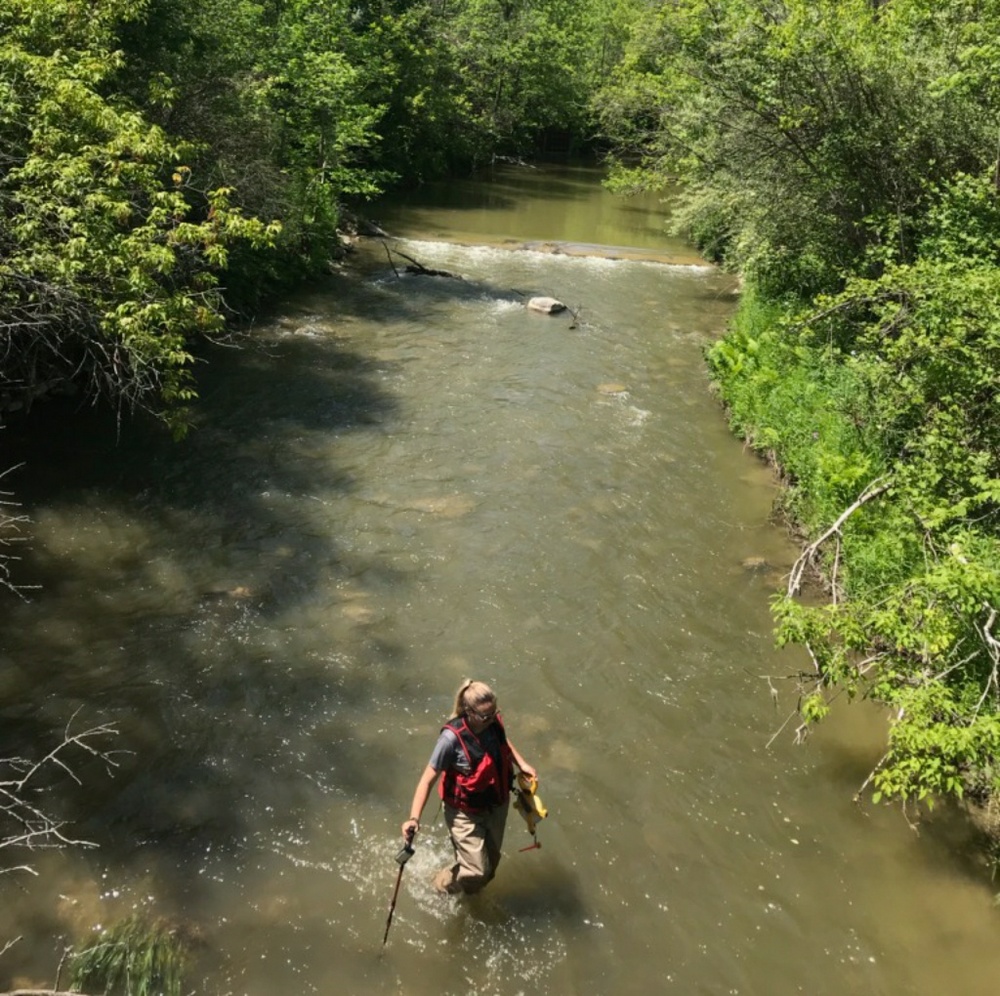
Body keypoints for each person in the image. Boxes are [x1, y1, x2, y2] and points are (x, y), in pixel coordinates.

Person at [401, 679, 537, 895]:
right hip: (464, 813)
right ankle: (440, 884)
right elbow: (427, 780)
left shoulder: (492, 723)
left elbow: (503, 742)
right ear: (469, 711)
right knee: (478, 871)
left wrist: (522, 764)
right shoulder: (450, 740)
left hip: (496, 804)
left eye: (494, 713)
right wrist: (414, 818)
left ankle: (466, 892)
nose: (491, 719)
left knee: (489, 868)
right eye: (485, 716)